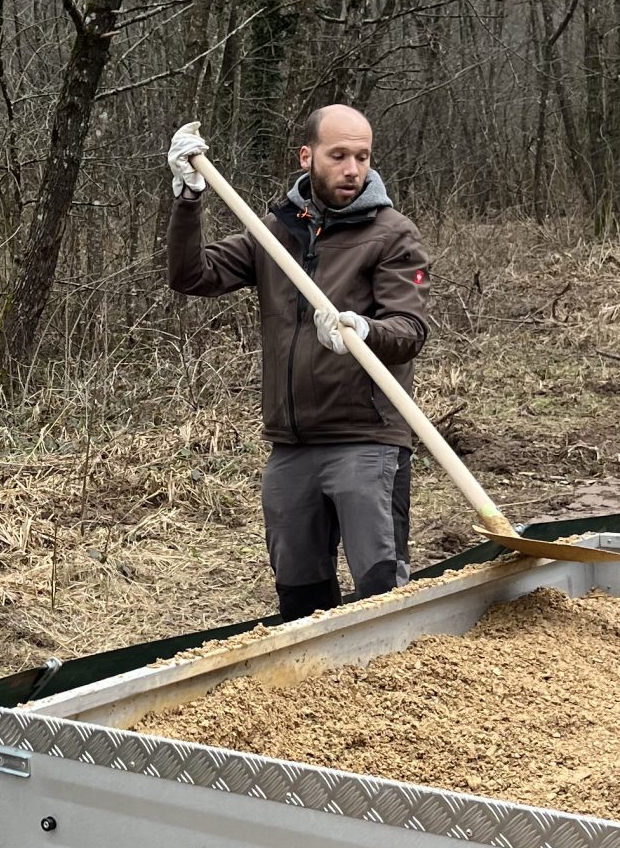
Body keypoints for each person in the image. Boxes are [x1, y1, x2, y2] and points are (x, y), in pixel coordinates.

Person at [166, 106, 429, 619]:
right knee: (299, 596)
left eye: (362, 157)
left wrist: (364, 330)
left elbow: (410, 330)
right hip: (292, 444)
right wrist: (189, 199)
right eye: (339, 156)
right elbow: (191, 276)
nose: (352, 169)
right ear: (307, 157)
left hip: (366, 439)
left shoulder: (392, 234)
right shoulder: (274, 233)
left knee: (381, 593)